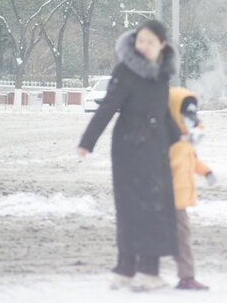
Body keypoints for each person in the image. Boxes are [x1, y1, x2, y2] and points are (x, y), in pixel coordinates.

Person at [77, 20, 181, 292]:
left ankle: (140, 272)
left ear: (162, 45)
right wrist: (88, 141)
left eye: (150, 41)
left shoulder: (161, 74)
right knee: (132, 210)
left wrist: (179, 138)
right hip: (129, 148)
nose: (143, 46)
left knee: (154, 209)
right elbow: (108, 107)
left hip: (155, 151)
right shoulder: (125, 71)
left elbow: (163, 112)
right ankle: (130, 271)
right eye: (140, 40)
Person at [168, 87, 216, 290]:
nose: (189, 119)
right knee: (179, 237)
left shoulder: (185, 138)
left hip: (177, 199)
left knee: (181, 236)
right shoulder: (167, 140)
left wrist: (206, 172)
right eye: (185, 115)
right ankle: (143, 272)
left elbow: (192, 159)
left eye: (191, 115)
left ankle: (185, 277)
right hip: (166, 197)